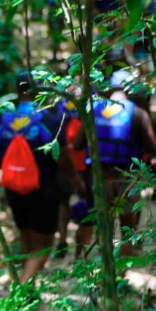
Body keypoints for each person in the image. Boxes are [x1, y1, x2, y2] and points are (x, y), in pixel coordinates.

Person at [0, 72, 83, 282]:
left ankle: (28, 289)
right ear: (38, 89)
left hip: (14, 188)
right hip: (45, 188)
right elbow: (64, 160)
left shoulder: (0, 118)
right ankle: (22, 290)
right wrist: (77, 182)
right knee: (44, 246)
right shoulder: (50, 119)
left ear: (17, 89)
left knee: (26, 238)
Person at [72, 69, 156, 257]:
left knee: (101, 223)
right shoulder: (138, 113)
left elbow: (77, 144)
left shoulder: (94, 108)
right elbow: (154, 147)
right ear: (131, 89)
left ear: (109, 89)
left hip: (98, 176)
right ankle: (121, 279)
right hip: (127, 177)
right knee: (127, 230)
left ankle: (92, 270)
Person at [55, 93, 91, 258]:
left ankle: (64, 242)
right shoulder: (90, 99)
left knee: (64, 202)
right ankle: (79, 251)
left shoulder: (59, 101)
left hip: (64, 160)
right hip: (81, 161)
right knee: (83, 204)